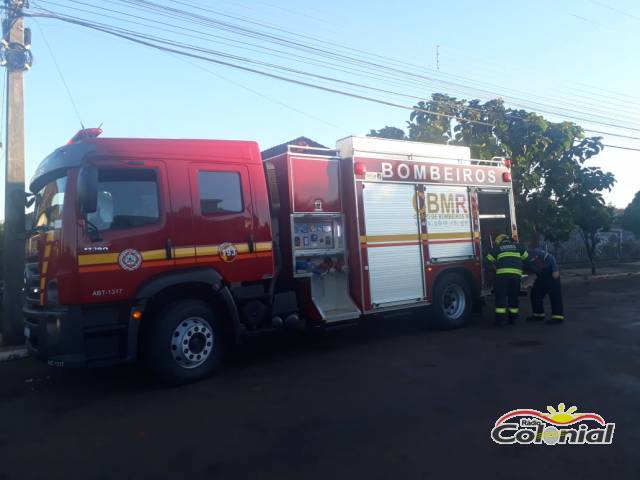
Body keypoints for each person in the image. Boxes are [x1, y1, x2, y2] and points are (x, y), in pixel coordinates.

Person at [486, 234, 528, 327]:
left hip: (502, 277)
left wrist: (494, 268)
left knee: (501, 298)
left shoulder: (497, 248)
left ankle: (499, 321)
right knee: (513, 298)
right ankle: (513, 319)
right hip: (515, 277)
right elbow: (526, 258)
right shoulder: (518, 246)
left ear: (499, 241)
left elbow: (487, 261)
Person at [525, 243, 564, 324]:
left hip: (551, 272)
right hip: (541, 275)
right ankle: (538, 315)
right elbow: (530, 271)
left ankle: (557, 317)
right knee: (535, 294)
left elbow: (549, 257)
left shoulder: (532, 252)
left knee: (554, 295)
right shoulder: (520, 261)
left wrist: (555, 269)